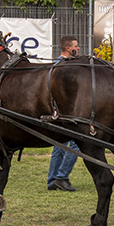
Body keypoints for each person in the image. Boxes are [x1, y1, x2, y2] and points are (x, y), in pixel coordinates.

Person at [47, 35, 80, 192]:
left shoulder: (58, 65)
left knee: (59, 146)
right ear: (68, 48)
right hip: (64, 113)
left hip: (58, 113)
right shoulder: (61, 66)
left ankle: (52, 180)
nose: (78, 49)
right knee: (76, 144)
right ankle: (62, 177)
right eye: (76, 46)